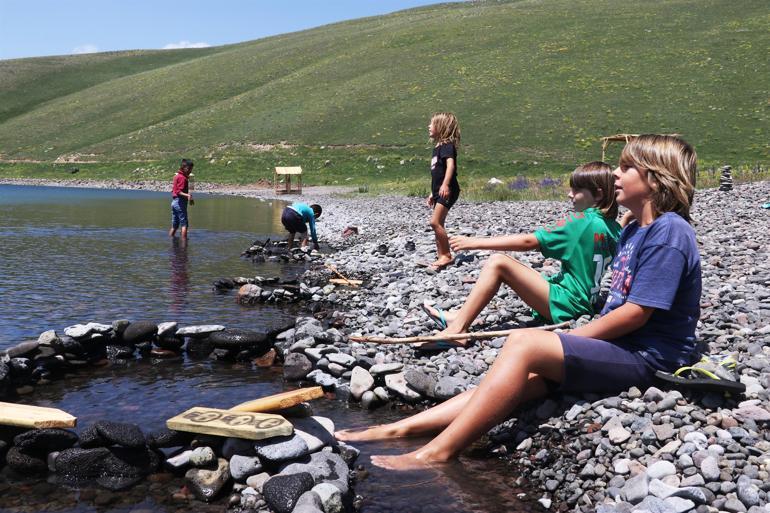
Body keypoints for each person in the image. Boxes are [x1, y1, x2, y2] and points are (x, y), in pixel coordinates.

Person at [336, 134, 702, 471]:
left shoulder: (669, 232)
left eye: (626, 168)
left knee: (523, 344)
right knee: (510, 381)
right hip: (622, 347)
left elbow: (638, 313)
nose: (616, 175)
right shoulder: (635, 228)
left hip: (647, 357)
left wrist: (580, 337)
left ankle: (437, 453)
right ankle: (399, 430)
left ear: (655, 180)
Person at [422, 162, 621, 349]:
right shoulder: (613, 227)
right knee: (530, 272)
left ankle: (458, 331)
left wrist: (475, 242)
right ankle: (458, 317)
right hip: (585, 301)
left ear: (597, 195)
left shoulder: (581, 221)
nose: (570, 195)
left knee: (498, 263)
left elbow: (530, 242)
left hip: (567, 303)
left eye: (577, 190)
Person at [426, 112, 461, 271]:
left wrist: (446, 185)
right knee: (438, 223)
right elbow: (436, 174)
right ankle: (441, 255)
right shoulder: (437, 148)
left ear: (441, 127)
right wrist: (433, 193)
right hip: (440, 191)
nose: (429, 127)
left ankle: (446, 255)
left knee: (435, 222)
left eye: (432, 124)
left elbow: (450, 166)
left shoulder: (447, 146)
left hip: (449, 189)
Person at [168, 159, 194, 238]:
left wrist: (189, 179)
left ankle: (170, 239)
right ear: (184, 168)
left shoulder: (177, 176)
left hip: (174, 203)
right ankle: (184, 244)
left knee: (175, 226)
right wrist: (188, 196)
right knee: (184, 225)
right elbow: (179, 191)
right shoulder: (182, 178)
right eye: (189, 169)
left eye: (191, 169)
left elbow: (174, 190)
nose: (190, 171)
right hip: (180, 203)